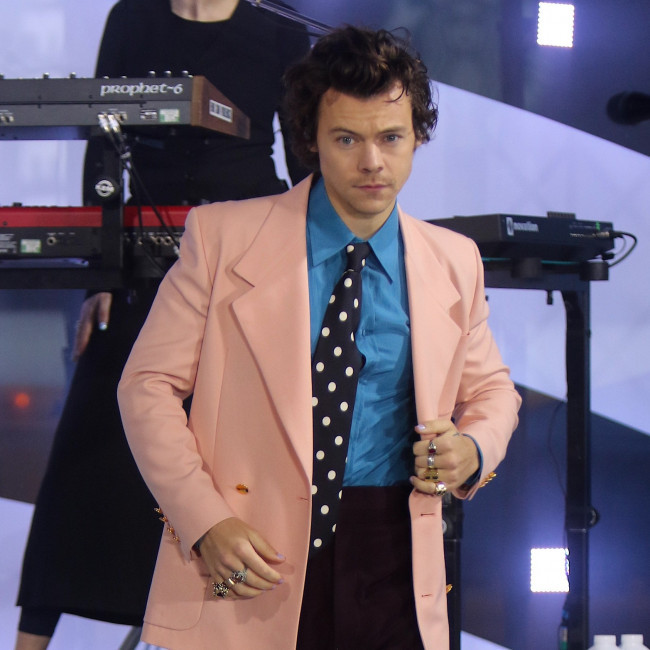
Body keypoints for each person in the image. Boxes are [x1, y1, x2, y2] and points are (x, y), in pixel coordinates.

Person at [117, 25, 521, 650]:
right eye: (347, 139)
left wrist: (472, 448)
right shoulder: (223, 238)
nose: (372, 162)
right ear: (310, 140)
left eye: (391, 138)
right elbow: (146, 386)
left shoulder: (454, 259)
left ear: (417, 137)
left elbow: (492, 389)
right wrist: (203, 520)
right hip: (252, 546)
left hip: (395, 550)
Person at [14, 1, 309, 649]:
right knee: (88, 447)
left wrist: (313, 273)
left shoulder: (280, 29)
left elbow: (303, 162)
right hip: (141, 256)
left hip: (246, 261)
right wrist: (100, 276)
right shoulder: (132, 17)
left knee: (227, 453)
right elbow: (103, 143)